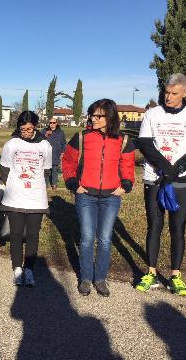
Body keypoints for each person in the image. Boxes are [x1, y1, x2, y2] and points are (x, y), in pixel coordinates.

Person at [135, 73, 186, 296]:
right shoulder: (152, 114)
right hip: (155, 177)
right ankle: (151, 273)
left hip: (181, 180)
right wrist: (165, 167)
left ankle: (175, 275)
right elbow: (145, 144)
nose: (168, 97)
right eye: (166, 92)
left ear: (185, 92)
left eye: (174, 93)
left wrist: (176, 169)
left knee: (178, 228)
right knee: (154, 225)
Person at [62, 99, 135, 297]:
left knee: (104, 239)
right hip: (86, 195)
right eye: (92, 115)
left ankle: (100, 279)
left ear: (109, 117)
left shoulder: (123, 141)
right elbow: (67, 161)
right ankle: (86, 278)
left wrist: (126, 185)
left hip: (111, 197)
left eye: (99, 116)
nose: (94, 119)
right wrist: (73, 183)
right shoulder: (81, 137)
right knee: (86, 239)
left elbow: (127, 167)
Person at [0, 111, 52, 287]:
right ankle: (17, 269)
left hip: (36, 199)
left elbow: (46, 171)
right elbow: (5, 170)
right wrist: (14, 186)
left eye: (30, 129)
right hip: (15, 197)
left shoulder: (45, 146)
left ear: (36, 127)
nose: (27, 133)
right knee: (15, 234)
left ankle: (29, 269)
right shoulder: (11, 144)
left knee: (33, 235)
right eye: (23, 130)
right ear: (18, 128)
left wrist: (33, 184)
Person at [41, 117, 66, 190]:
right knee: (46, 170)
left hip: (56, 153)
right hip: (46, 154)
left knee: (55, 170)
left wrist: (62, 152)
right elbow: (39, 140)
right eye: (50, 123)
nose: (52, 124)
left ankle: (54, 184)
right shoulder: (44, 131)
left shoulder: (60, 132)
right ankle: (46, 185)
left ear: (56, 123)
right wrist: (45, 135)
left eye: (53, 123)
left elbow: (63, 143)